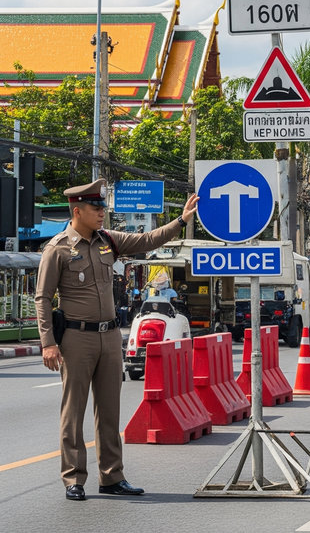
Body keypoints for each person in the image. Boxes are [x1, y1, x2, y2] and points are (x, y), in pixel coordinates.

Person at [35, 179, 199, 501]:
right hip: (76, 338)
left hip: (110, 337)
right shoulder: (58, 249)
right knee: (74, 411)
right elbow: (43, 298)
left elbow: (147, 239)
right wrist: (48, 342)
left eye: (103, 209)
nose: (101, 214)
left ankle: (111, 476)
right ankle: (73, 478)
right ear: (77, 210)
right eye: (96, 209)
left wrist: (181, 220)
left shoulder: (108, 240)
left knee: (109, 411)